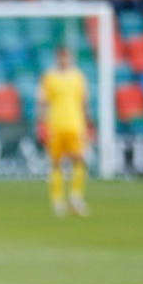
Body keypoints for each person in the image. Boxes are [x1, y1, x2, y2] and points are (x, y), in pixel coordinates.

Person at [36, 45, 90, 217]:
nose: (64, 60)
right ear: (57, 58)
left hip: (75, 125)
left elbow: (84, 102)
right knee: (55, 162)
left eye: (67, 57)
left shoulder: (78, 76)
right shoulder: (49, 77)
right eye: (62, 57)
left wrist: (88, 123)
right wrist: (41, 123)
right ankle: (58, 200)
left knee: (79, 160)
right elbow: (42, 102)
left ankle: (76, 197)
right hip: (55, 125)